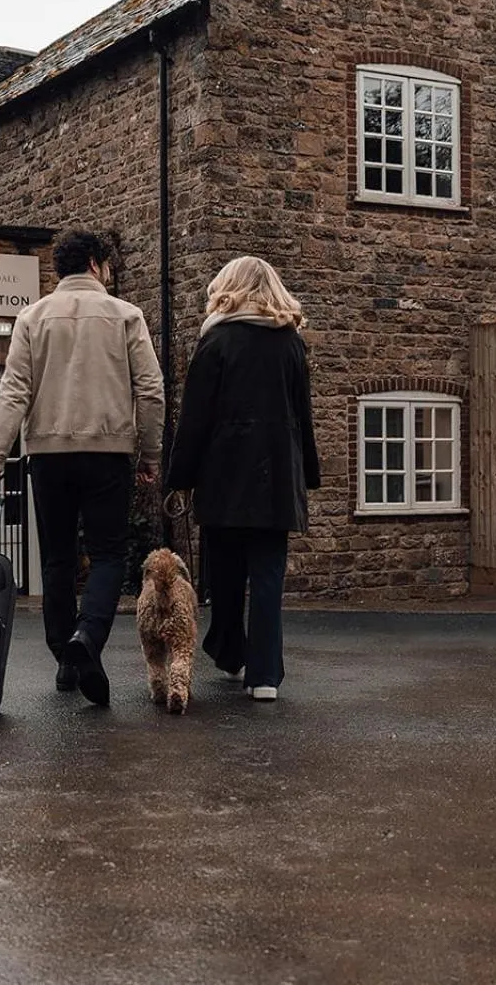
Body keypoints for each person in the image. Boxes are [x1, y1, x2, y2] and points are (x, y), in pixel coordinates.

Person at [0, 229, 164, 706]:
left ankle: (64, 657)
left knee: (56, 560)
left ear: (60, 270)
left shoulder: (32, 317)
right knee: (107, 556)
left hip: (49, 456)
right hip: (108, 453)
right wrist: (151, 453)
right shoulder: (126, 316)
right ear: (97, 265)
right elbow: (152, 390)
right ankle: (88, 640)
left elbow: (13, 391)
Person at [165, 256, 319, 702]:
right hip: (276, 473)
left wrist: (181, 477)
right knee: (269, 575)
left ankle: (230, 652)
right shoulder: (291, 344)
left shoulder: (216, 342)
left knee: (226, 569)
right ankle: (265, 674)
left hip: (223, 472)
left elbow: (195, 418)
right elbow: (301, 416)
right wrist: (307, 471)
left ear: (227, 288)